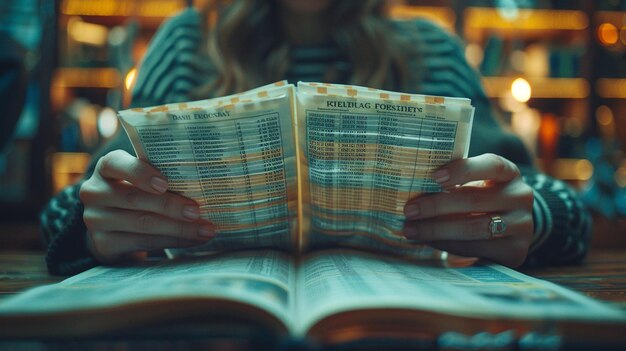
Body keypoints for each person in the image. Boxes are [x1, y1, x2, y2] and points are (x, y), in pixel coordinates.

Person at [41, 0, 591, 275]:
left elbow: (560, 206)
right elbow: (72, 207)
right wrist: (96, 226)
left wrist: (528, 215)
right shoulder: (186, 44)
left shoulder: (432, 49)